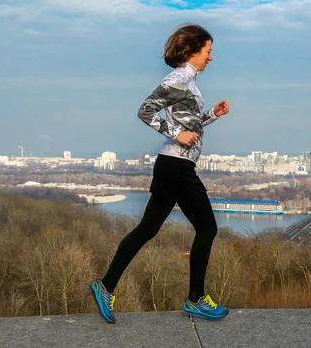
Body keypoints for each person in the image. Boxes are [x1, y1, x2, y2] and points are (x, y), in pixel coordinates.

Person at [90, 24, 230, 323]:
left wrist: (212, 116)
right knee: (207, 229)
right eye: (208, 51)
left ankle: (105, 286)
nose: (211, 57)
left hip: (172, 165)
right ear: (191, 51)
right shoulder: (179, 78)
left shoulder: (189, 81)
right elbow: (146, 110)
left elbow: (189, 126)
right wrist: (176, 133)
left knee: (147, 229)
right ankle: (195, 299)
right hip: (176, 166)